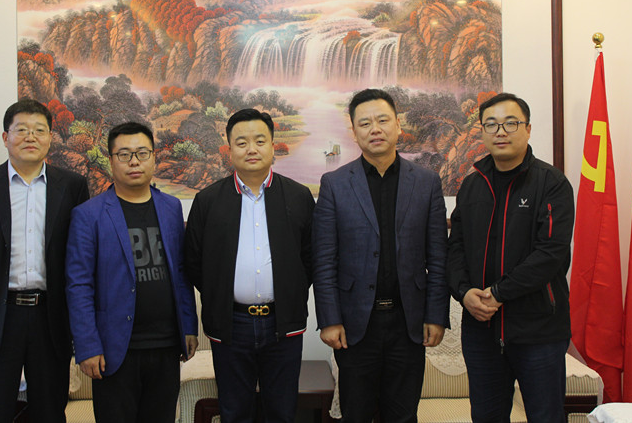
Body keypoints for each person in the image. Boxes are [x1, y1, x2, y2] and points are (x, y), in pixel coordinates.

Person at [313, 88, 449, 423]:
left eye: (383, 120)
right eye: (365, 123)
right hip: (355, 324)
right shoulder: (334, 184)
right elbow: (325, 259)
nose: (375, 129)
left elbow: (438, 257)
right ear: (354, 132)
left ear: (398, 125)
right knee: (356, 414)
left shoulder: (427, 183)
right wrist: (329, 319)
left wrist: (436, 315)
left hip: (408, 322)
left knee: (403, 415)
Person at [0, 98, 89, 423]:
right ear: (6, 137)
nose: (31, 137)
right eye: (22, 130)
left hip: (50, 316)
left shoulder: (72, 186)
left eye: (39, 130)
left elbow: (80, 252)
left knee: (49, 411)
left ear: (50, 137)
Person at [447, 92, 574, 423]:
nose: (500, 131)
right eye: (491, 124)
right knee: (486, 416)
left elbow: (550, 254)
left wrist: (498, 293)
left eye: (510, 123)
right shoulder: (472, 185)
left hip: (539, 329)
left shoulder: (552, 183)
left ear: (528, 129)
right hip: (481, 330)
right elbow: (455, 247)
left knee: (546, 417)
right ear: (482, 132)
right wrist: (464, 292)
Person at [185, 108, 315, 423]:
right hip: (231, 324)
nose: (251, 149)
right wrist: (221, 291)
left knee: (282, 412)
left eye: (260, 141)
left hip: (282, 323)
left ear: (272, 146)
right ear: (229, 149)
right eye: (241, 142)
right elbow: (194, 262)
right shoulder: (208, 200)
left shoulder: (298, 197)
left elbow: (311, 258)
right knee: (234, 412)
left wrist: (290, 289)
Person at [66, 122, 198, 423]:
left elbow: (180, 271)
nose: (134, 162)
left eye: (142, 153)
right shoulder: (88, 215)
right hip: (115, 348)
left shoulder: (171, 207)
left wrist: (188, 326)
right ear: (111, 160)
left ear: (154, 157)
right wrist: (87, 345)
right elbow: (79, 285)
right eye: (124, 155)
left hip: (165, 345)